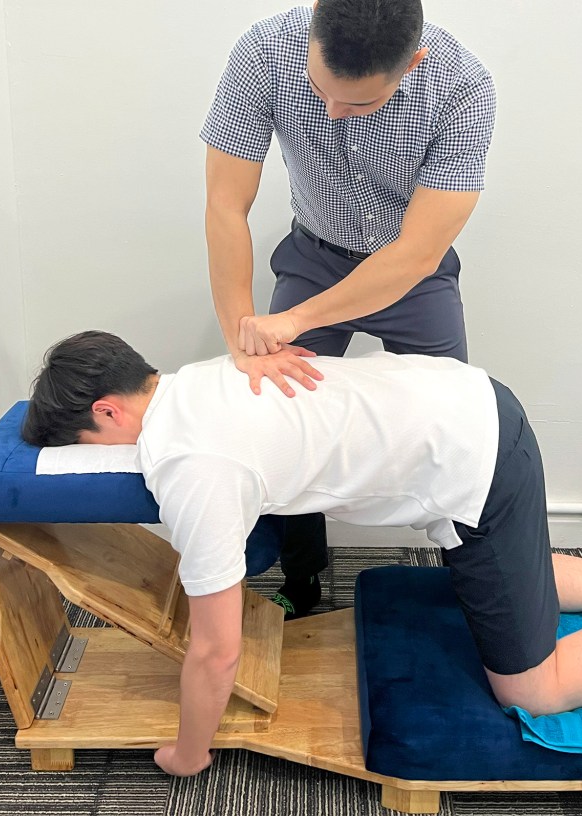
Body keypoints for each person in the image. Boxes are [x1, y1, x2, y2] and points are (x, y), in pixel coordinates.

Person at [22, 331, 582, 778]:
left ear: (109, 412)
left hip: (476, 452)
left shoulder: (192, 464)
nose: (102, 463)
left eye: (92, 449)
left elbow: (215, 653)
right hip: (469, 405)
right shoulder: (198, 379)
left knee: (533, 691)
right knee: (514, 572)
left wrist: (189, 752)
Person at [201, 0, 497, 617]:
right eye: (320, 88)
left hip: (412, 272)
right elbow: (226, 206)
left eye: (359, 103)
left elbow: (416, 253)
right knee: (282, 415)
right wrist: (242, 341)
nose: (334, 111)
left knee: (459, 419)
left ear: (411, 64)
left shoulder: (463, 85)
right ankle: (304, 580)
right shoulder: (263, 49)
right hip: (314, 254)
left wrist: (294, 321)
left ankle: (469, 585)